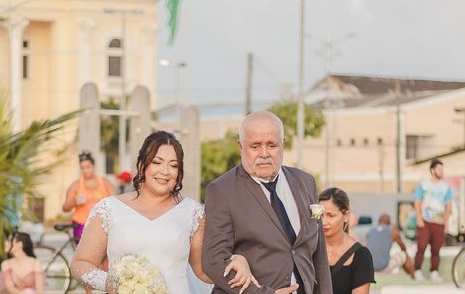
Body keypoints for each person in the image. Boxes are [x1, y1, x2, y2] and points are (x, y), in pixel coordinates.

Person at [70, 131, 259, 294]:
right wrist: (111, 283)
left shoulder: (192, 212)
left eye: (174, 165)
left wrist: (237, 259)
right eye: (157, 162)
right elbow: (80, 264)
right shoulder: (109, 209)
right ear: (142, 165)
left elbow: (204, 270)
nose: (165, 171)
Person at [202, 111, 332, 294]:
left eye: (271, 145)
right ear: (241, 147)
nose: (264, 153)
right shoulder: (222, 190)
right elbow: (214, 261)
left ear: (283, 145)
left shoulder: (305, 182)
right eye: (255, 146)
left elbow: (319, 256)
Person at [319, 188, 375, 294]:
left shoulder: (361, 255)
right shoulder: (309, 248)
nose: (323, 222)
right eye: (321, 215)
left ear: (346, 215)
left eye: (330, 215)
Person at [62, 151, 115, 243]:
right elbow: (65, 208)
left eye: (88, 167)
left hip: (102, 225)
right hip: (81, 225)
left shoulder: (105, 183)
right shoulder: (76, 185)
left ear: (93, 167)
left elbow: (116, 202)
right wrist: (75, 202)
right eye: (82, 168)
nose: (85, 170)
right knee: (83, 255)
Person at [413, 158, 452, 282]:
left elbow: (448, 206)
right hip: (425, 221)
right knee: (421, 246)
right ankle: (417, 270)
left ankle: (434, 271)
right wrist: (419, 218)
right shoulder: (423, 185)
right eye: (439, 169)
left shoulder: (446, 188)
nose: (441, 171)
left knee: (436, 249)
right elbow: (417, 202)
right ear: (432, 170)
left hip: (439, 222)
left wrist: (446, 223)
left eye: (442, 169)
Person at [366, 214, 414, 278]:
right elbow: (403, 247)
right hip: (383, 267)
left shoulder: (370, 231)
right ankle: (413, 277)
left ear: (379, 222)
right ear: (389, 222)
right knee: (404, 255)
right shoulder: (392, 232)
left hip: (369, 268)